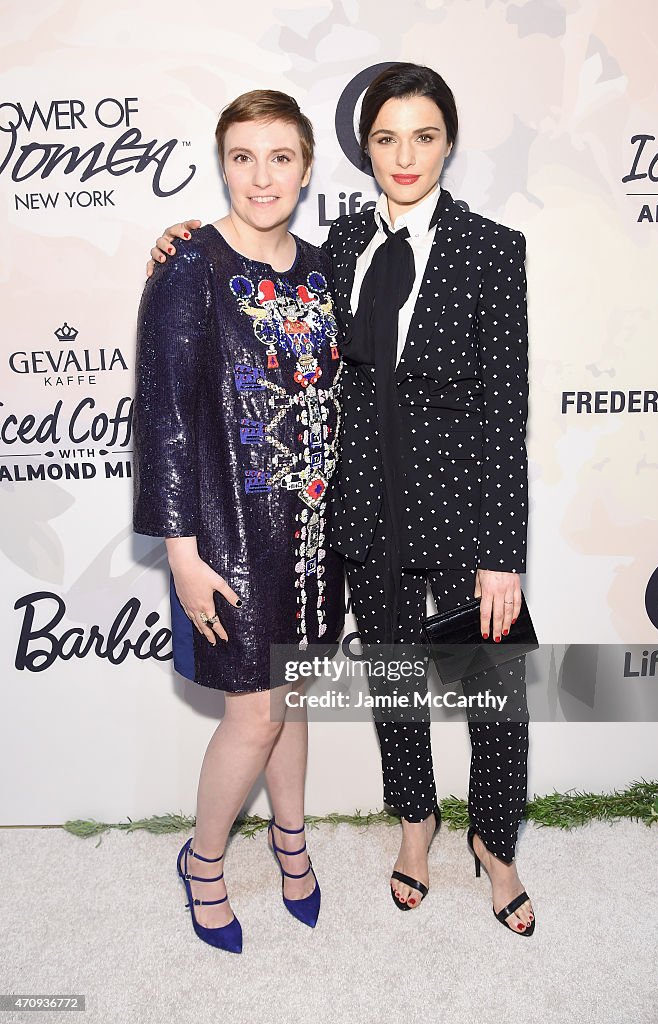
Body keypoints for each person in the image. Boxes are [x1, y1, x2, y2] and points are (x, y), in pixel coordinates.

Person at [146, 63, 535, 936]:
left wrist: (503, 548)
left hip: (468, 516)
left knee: (497, 696)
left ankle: (497, 847)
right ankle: (415, 829)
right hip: (354, 520)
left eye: (425, 136)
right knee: (396, 690)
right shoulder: (340, 251)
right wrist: (178, 242)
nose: (406, 155)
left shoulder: (493, 248)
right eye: (387, 138)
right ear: (362, 151)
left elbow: (507, 411)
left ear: (448, 144)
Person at [133, 89, 345, 954]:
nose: (263, 176)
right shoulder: (191, 265)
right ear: (223, 164)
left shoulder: (328, 268)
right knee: (252, 714)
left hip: (314, 532)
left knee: (288, 701)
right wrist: (181, 552)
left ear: (305, 165)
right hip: (227, 534)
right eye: (244, 157)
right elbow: (165, 417)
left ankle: (290, 840)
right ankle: (206, 861)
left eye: (281, 157)